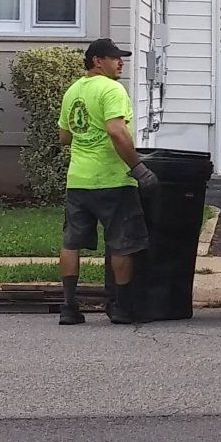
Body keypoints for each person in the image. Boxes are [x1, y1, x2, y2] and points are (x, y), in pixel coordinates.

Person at [55, 39, 155, 325]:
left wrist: (86, 138)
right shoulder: (112, 89)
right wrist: (138, 168)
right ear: (97, 61)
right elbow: (116, 131)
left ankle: (69, 307)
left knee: (71, 243)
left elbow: (65, 136)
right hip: (113, 181)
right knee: (122, 244)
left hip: (78, 181)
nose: (120, 62)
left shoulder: (73, 91)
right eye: (115, 58)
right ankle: (122, 307)